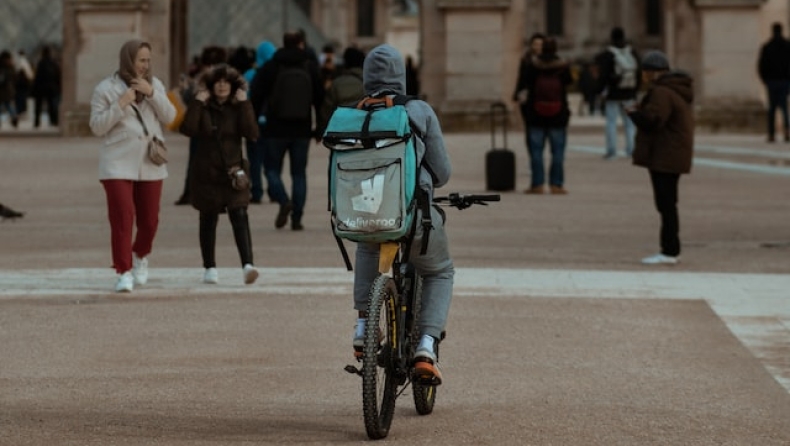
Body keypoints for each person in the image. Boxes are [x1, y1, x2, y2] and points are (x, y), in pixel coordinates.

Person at [351, 44, 453, 384]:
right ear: (401, 75)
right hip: (413, 214)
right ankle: (426, 345)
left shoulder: (355, 113)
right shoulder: (418, 110)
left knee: (367, 246)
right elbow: (442, 172)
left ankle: (363, 325)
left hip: (367, 211)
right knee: (439, 271)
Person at [89, 39, 176, 292]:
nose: (145, 65)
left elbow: (170, 117)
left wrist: (152, 94)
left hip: (150, 161)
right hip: (117, 162)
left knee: (149, 221)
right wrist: (120, 104)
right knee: (122, 217)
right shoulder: (105, 88)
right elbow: (97, 127)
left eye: (148, 60)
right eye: (141, 60)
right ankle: (123, 270)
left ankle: (140, 255)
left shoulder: (155, 84)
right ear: (128, 60)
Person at [179, 64, 260, 285]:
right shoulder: (203, 106)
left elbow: (252, 132)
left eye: (226, 82)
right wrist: (197, 102)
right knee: (208, 219)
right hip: (207, 173)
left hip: (233, 172)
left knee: (240, 215)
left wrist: (244, 104)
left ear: (233, 86)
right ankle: (210, 267)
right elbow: (188, 129)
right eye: (218, 82)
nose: (222, 86)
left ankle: (248, 265)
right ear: (211, 86)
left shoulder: (238, 106)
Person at [626, 51, 694, 265]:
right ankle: (670, 249)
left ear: (652, 73)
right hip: (672, 152)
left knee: (666, 204)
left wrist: (634, 114)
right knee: (668, 203)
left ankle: (669, 251)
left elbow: (654, 121)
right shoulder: (675, 90)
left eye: (646, 72)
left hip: (665, 154)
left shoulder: (661, 92)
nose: (644, 76)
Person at [254, 31, 323, 231]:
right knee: (299, 175)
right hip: (302, 129)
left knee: (271, 170)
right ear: (301, 44)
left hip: (275, 129)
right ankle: (297, 218)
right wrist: (319, 128)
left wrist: (255, 124)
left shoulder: (271, 66)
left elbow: (256, 95)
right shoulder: (310, 67)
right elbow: (320, 99)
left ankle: (284, 200)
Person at [175, 46, 227, 205]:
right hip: (222, 125)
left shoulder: (200, 79)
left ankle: (190, 192)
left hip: (200, 125)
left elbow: (189, 99)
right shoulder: (228, 79)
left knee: (195, 160)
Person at [519, 37, 572, 195]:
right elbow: (568, 82)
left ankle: (537, 184)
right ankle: (556, 184)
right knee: (558, 152)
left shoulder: (533, 65)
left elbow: (525, 83)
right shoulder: (562, 66)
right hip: (558, 114)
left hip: (536, 114)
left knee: (536, 151)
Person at [595, 27, 640, 159]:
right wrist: (635, 90)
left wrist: (599, 90)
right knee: (630, 124)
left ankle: (612, 150)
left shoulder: (609, 54)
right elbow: (638, 73)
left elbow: (603, 76)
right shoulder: (632, 52)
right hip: (629, 92)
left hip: (613, 94)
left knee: (611, 123)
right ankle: (631, 149)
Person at [246, 40, 277, 204]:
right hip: (272, 123)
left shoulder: (250, 74)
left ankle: (256, 191)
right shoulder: (278, 73)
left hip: (253, 121)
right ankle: (274, 190)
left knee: (255, 159)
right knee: (271, 160)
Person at [316, 46, 366, 137]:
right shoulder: (368, 84)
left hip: (340, 133)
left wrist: (321, 131)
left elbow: (326, 112)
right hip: (362, 132)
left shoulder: (336, 83)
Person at [757, 22, 790, 143]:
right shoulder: (787, 46)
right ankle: (787, 131)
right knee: (784, 108)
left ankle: (771, 134)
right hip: (784, 81)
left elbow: (761, 65)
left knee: (772, 108)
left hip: (772, 81)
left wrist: (765, 79)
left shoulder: (767, 47)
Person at [32, 46, 60, 128]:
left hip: (41, 88)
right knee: (51, 105)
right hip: (51, 88)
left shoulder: (41, 63)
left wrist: (34, 88)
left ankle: (37, 121)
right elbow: (57, 76)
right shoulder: (53, 63)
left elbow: (37, 77)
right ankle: (53, 121)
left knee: (38, 106)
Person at [0, 50, 19, 129]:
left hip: (2, 90)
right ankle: (14, 117)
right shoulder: (11, 67)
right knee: (9, 105)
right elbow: (15, 77)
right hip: (9, 89)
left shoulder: (2, 67)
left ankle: (14, 117)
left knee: (4, 105)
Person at [15, 50, 34, 118]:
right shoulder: (26, 62)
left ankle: (20, 111)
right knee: (24, 98)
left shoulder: (19, 62)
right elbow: (30, 74)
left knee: (20, 98)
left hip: (20, 83)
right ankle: (23, 111)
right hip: (25, 82)